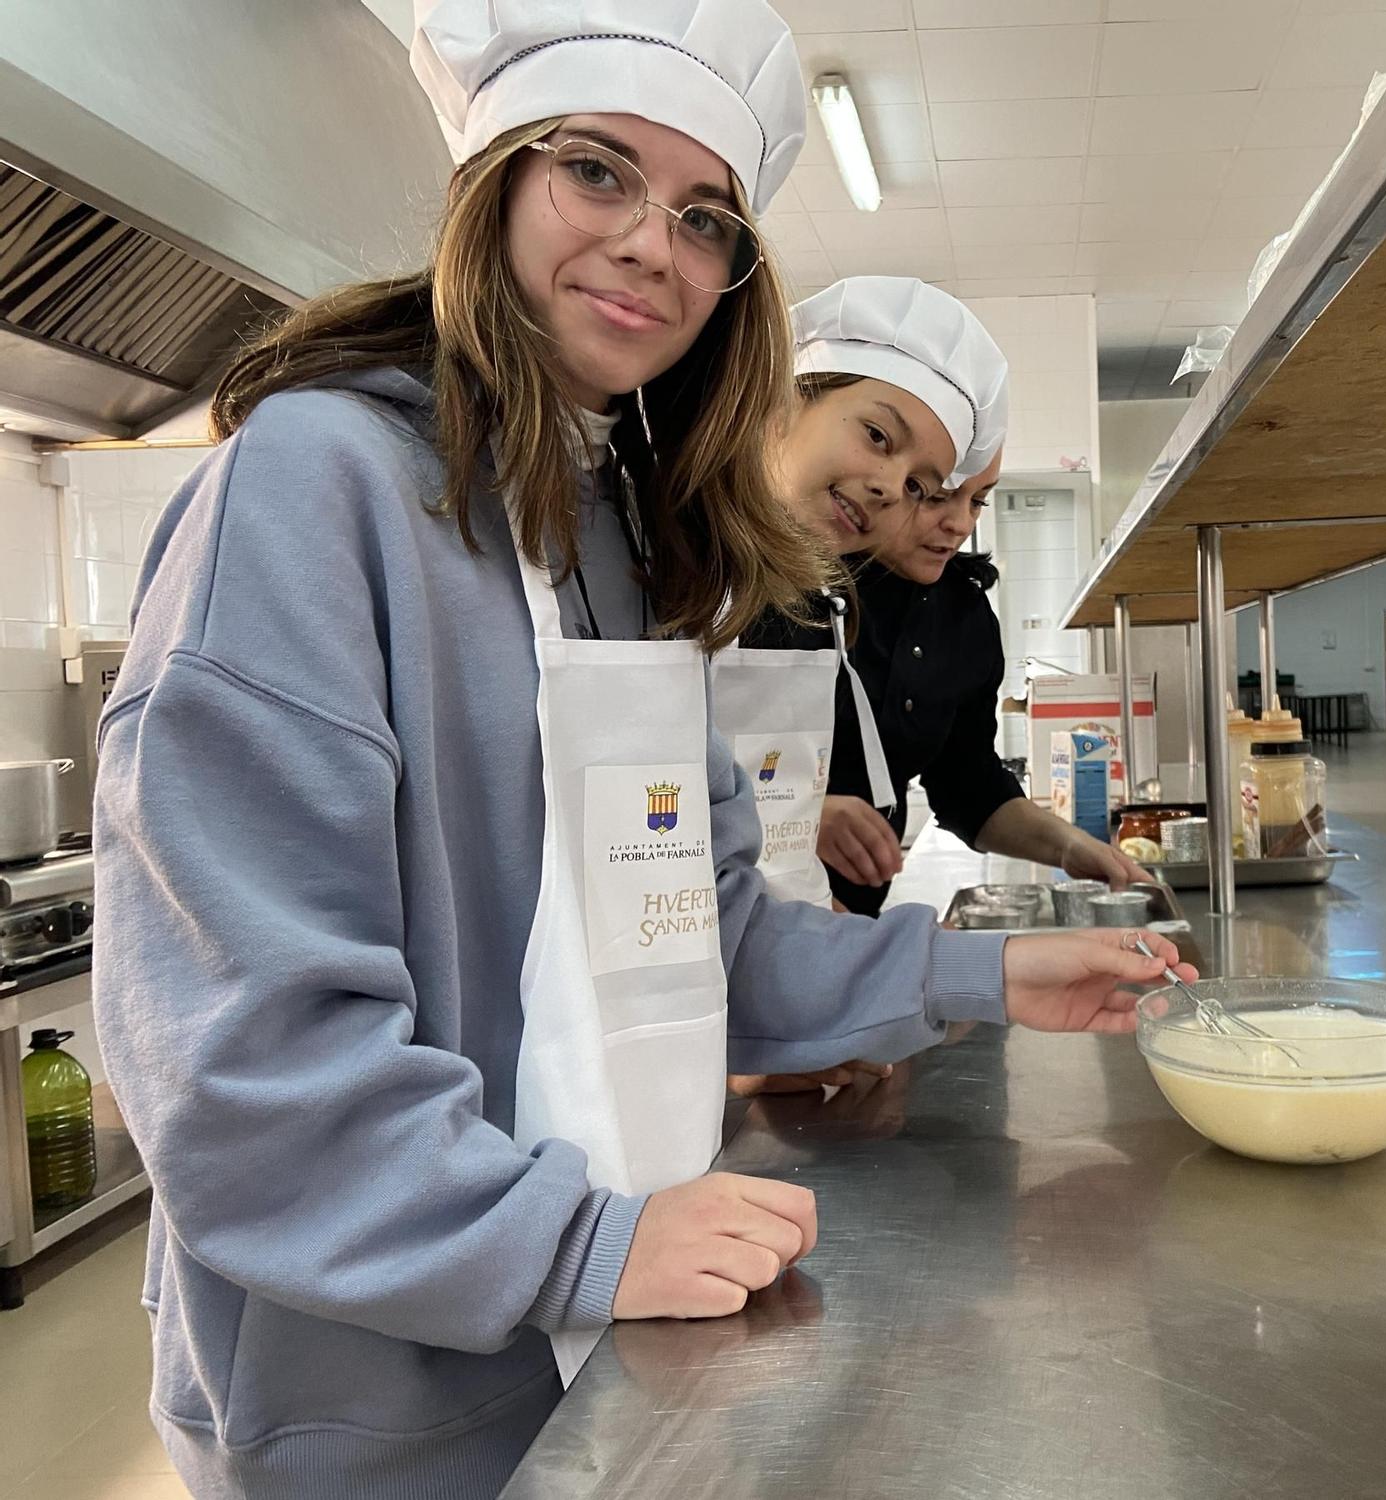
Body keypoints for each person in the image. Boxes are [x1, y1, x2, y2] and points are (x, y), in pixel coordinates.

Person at [88, 6, 1191, 1497]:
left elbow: (695, 943)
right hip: (379, 1402)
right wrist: (585, 1241)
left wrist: (980, 974)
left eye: (705, 217)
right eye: (596, 171)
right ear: (492, 188)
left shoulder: (626, 546)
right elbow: (239, 1061)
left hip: (620, 1335)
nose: (651, 246)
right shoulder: (313, 488)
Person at [716, 276, 1006, 912]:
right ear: (786, 400)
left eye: (915, 485)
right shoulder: (669, 552)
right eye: (878, 436)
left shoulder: (818, 602)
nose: (887, 486)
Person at [817, 456, 1153, 916]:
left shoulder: (964, 614)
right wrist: (800, 818)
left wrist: (1070, 847)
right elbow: (709, 778)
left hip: (851, 919)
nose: (959, 523)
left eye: (977, 501)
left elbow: (967, 783)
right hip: (742, 911)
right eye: (934, 497)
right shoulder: (795, 589)